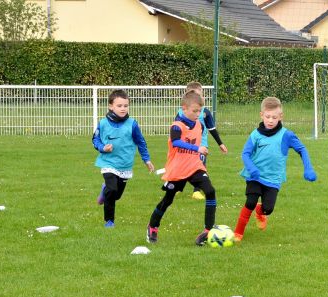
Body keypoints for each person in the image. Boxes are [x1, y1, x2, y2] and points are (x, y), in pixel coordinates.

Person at [233, 97, 317, 242]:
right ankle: (238, 233)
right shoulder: (255, 134)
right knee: (250, 201)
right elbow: (245, 154)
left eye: (274, 117)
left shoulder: (287, 135)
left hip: (273, 178)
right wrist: (252, 168)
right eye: (267, 117)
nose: (270, 120)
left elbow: (302, 149)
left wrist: (308, 168)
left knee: (268, 208)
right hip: (254, 176)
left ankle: (261, 212)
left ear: (280, 117)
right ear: (261, 115)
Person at [146, 90, 218, 246]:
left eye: (200, 111)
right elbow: (176, 142)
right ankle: (153, 226)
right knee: (168, 199)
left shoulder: (199, 124)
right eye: (194, 111)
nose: (198, 114)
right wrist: (198, 149)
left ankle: (207, 230)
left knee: (210, 191)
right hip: (178, 169)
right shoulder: (177, 126)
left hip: (194, 166)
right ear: (184, 108)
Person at [92, 89, 155, 227]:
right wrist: (103, 148)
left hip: (125, 165)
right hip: (108, 163)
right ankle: (109, 221)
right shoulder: (103, 123)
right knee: (112, 189)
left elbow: (141, 142)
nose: (123, 109)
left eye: (125, 106)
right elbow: (95, 140)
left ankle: (104, 190)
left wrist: (147, 159)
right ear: (110, 106)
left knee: (117, 195)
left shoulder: (132, 124)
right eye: (119, 106)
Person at [176, 81, 228, 201]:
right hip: (187, 146)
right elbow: (176, 129)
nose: (200, 98)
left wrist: (220, 143)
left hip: (202, 145)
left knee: (200, 166)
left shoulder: (205, 112)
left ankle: (196, 191)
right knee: (184, 166)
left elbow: (212, 129)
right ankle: (177, 187)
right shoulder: (181, 112)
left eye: (201, 95)